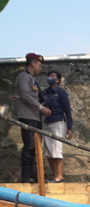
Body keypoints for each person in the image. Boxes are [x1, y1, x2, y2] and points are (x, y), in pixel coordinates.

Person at [15, 53, 51, 183]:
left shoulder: (32, 79)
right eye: (39, 65)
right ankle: (26, 176)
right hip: (27, 117)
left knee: (36, 148)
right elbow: (25, 95)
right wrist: (41, 108)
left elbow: (33, 96)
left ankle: (35, 175)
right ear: (33, 63)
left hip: (35, 117)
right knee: (29, 146)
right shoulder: (24, 76)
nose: (40, 68)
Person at [42, 71, 73, 183]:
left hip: (58, 123)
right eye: (49, 76)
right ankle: (55, 176)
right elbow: (36, 102)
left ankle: (60, 177)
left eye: (53, 76)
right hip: (47, 123)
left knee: (57, 150)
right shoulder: (45, 92)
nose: (50, 78)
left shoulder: (60, 92)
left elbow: (67, 111)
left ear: (58, 80)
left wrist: (69, 129)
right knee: (48, 151)